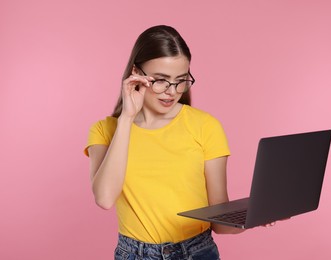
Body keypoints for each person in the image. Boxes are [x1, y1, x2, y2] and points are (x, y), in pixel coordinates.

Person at [85, 25, 265, 260]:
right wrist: (127, 118)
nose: (172, 91)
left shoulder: (205, 126)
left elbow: (219, 222)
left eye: (181, 80)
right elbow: (105, 198)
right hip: (134, 255)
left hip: (197, 252)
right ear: (136, 73)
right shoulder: (105, 130)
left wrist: (260, 214)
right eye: (160, 80)